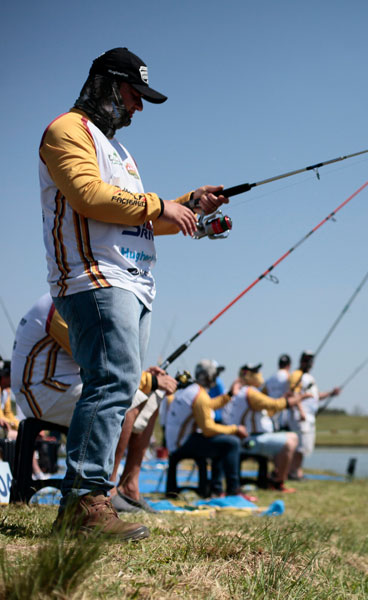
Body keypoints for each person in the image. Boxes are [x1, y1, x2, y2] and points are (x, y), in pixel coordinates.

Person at [39, 47, 228, 539]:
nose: (138, 108)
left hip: (131, 281)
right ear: (106, 85)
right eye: (133, 95)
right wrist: (160, 204)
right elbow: (89, 197)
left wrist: (188, 206)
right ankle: (83, 503)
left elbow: (134, 215)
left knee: (119, 386)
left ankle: (87, 502)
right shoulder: (66, 131)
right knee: (112, 383)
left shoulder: (120, 152)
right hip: (93, 278)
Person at [10, 293, 177, 511]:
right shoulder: (62, 305)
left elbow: (104, 363)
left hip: (62, 388)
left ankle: (130, 486)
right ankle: (109, 488)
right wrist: (151, 380)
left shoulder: (77, 300)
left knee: (152, 395)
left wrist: (147, 380)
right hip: (42, 394)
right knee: (123, 397)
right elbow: (98, 359)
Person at [163, 359, 251, 499]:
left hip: (175, 442)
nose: (216, 379)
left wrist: (230, 394)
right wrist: (235, 429)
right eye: (215, 376)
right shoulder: (200, 395)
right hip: (182, 444)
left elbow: (208, 405)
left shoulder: (191, 390)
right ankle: (233, 490)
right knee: (231, 443)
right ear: (209, 376)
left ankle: (216, 489)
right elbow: (208, 429)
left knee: (220, 443)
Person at [226, 363, 301, 492]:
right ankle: (278, 482)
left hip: (252, 437)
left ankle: (275, 477)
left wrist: (283, 399)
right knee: (290, 441)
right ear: (247, 375)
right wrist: (297, 399)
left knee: (290, 438)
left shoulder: (248, 392)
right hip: (249, 440)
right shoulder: (250, 393)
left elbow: (268, 410)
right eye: (255, 372)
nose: (259, 374)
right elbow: (275, 405)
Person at [286, 351, 340, 480]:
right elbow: (294, 394)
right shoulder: (297, 375)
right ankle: (293, 472)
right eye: (306, 360)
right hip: (300, 417)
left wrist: (331, 393)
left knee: (305, 447)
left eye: (310, 360)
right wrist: (301, 412)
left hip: (309, 417)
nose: (308, 363)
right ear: (301, 361)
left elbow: (315, 396)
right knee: (299, 446)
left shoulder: (310, 377)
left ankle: (296, 471)